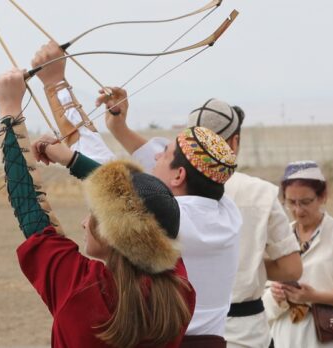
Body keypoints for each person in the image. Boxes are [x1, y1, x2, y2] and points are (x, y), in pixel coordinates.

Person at [32, 41, 242, 347]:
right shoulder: (226, 211)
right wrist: (118, 125)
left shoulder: (167, 217)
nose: (154, 156)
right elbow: (139, 165)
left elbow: (98, 161)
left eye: (164, 154)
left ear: (179, 175)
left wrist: (55, 83)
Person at [0, 67, 196, 347]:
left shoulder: (80, 287)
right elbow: (148, 213)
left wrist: (9, 110)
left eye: (95, 213)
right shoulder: (179, 293)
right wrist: (69, 159)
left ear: (113, 233)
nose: (85, 223)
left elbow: (29, 207)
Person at [185, 100, 303, 348]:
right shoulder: (261, 192)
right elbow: (292, 269)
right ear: (234, 142)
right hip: (246, 332)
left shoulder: (171, 188)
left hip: (187, 329)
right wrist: (252, 263)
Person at [262, 161, 333, 348]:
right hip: (286, 338)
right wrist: (275, 295)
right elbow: (263, 297)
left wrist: (314, 296)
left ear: (322, 197)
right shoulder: (281, 237)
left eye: (305, 202)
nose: (298, 210)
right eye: (291, 203)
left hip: (331, 336)